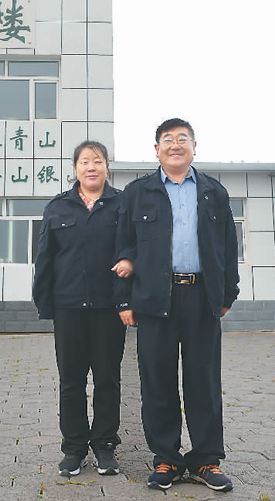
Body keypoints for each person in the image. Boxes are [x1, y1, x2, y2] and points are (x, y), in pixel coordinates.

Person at [112, 118, 239, 493]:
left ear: (194, 147)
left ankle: (205, 460)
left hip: (202, 298)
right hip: (154, 299)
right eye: (168, 139)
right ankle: (166, 457)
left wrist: (226, 294)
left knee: (204, 381)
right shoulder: (138, 192)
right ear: (157, 150)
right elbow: (123, 246)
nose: (175, 144)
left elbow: (228, 245)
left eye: (183, 139)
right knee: (157, 380)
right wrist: (124, 299)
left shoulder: (214, 192)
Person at [33, 140, 126, 479]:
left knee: (107, 379)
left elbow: (132, 250)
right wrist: (45, 303)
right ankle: (73, 449)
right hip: (68, 306)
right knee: (71, 381)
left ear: (106, 167)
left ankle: (104, 446)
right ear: (75, 168)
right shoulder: (58, 207)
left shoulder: (122, 205)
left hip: (108, 308)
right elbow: (45, 258)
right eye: (85, 161)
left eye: (97, 161)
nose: (91, 167)